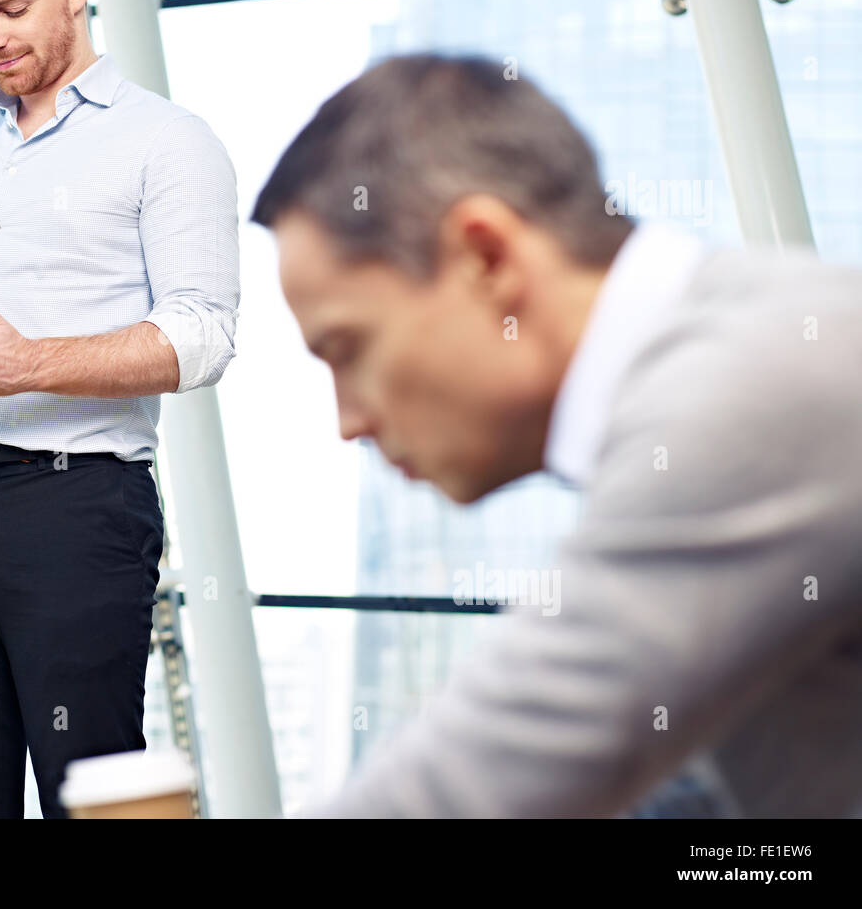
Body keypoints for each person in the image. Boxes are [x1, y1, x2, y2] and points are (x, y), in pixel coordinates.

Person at [249, 53, 862, 818]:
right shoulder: (737, 347)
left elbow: (476, 785)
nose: (350, 422)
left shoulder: (747, 393)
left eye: (349, 350)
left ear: (487, 257)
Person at [0, 0, 239, 819]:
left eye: (12, 9)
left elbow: (203, 336)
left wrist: (28, 363)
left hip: (77, 503)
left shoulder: (168, 143)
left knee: (90, 800)